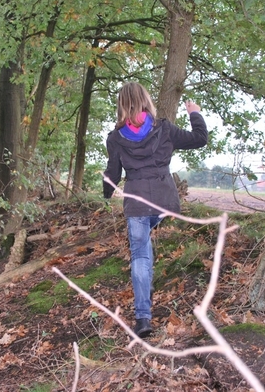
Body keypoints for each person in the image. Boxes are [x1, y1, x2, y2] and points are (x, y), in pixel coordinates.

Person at [102, 82, 208, 338]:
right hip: (163, 201)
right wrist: (194, 113)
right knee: (143, 248)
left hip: (137, 202)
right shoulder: (164, 129)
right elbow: (199, 139)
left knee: (140, 255)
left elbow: (113, 174)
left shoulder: (116, 138)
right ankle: (144, 311)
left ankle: (142, 319)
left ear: (121, 105)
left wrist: (106, 194)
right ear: (145, 100)